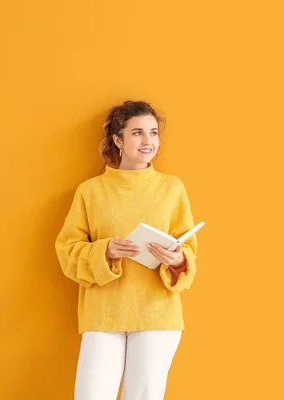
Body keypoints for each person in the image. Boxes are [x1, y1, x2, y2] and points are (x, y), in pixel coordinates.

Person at [54, 100, 199, 400]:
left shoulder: (172, 188)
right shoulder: (90, 191)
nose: (148, 141)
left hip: (157, 314)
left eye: (153, 133)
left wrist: (177, 258)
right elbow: (67, 250)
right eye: (137, 133)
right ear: (118, 140)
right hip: (103, 312)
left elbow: (189, 251)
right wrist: (105, 251)